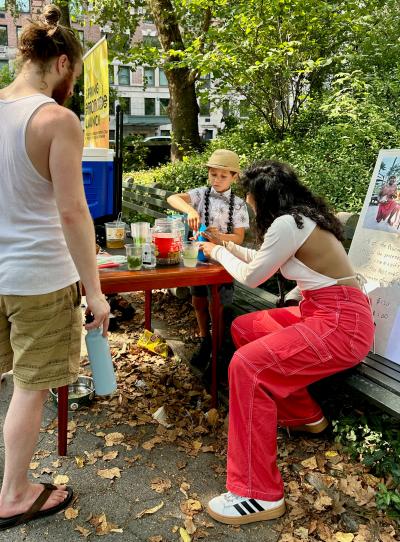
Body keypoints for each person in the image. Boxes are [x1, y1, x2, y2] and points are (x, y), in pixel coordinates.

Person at [200, 160, 374, 525]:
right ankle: (305, 416)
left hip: (340, 323)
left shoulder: (287, 223)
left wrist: (216, 253)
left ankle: (257, 493)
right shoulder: (299, 220)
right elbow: (263, 261)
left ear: (260, 196)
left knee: (248, 366)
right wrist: (225, 247)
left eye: (248, 195)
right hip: (325, 313)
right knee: (247, 327)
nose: (247, 202)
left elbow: (251, 276)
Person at [0, 5, 109, 530]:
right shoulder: (56, 119)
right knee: (30, 385)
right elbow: (72, 211)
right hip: (39, 277)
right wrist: (96, 291)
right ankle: (14, 494)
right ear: (62, 61)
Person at [167, 149, 249, 366]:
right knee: (199, 300)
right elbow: (172, 197)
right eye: (213, 174)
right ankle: (205, 339)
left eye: (223, 176)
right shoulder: (201, 194)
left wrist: (218, 236)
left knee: (219, 306)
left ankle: (219, 349)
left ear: (234, 177)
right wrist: (191, 211)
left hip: (224, 262)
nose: (217, 180)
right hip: (199, 259)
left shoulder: (238, 204)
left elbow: (239, 238)